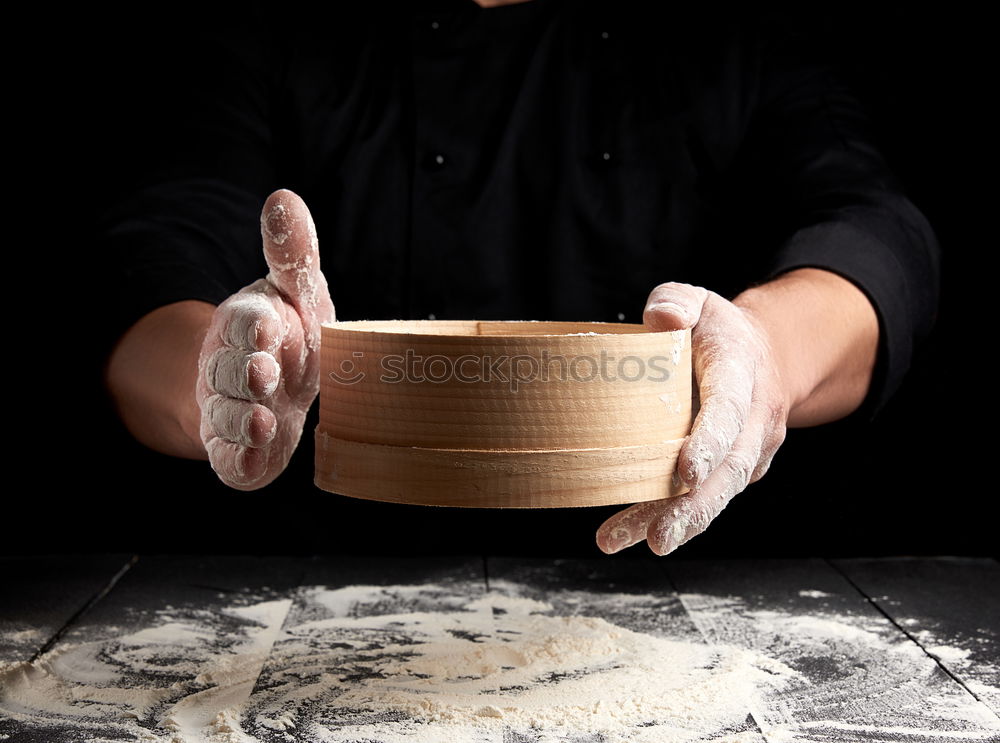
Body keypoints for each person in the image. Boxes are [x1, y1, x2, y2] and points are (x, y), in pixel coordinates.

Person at [99, 2, 939, 556]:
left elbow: (878, 235)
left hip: (675, 592)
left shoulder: (722, 27)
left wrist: (768, 354)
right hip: (319, 587)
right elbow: (151, 260)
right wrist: (221, 374)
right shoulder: (287, 26)